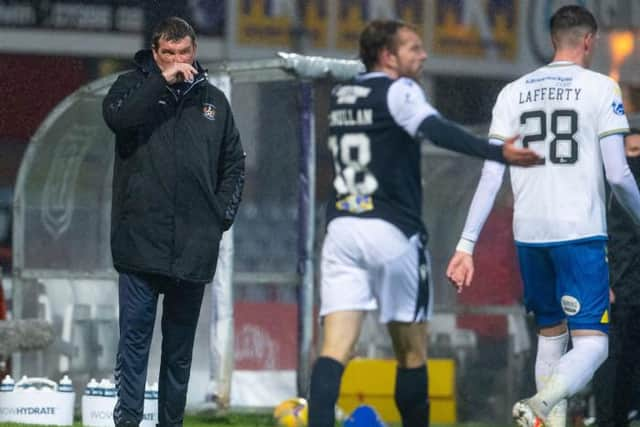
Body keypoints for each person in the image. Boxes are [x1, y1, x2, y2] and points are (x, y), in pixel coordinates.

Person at [308, 19, 540, 427]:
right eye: (413, 47)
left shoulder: (344, 93)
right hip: (392, 230)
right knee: (412, 353)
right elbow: (437, 131)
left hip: (342, 228)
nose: (423, 54)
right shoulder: (400, 90)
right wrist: (498, 152)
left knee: (334, 350)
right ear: (387, 56)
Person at [446, 6, 640, 427]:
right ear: (589, 41)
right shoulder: (599, 89)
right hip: (580, 233)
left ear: (553, 40)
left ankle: (542, 418)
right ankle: (542, 402)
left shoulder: (511, 92)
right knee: (594, 346)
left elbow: (490, 172)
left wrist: (465, 245)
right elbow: (620, 174)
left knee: (551, 334)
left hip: (529, 234)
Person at [102, 16, 245, 427]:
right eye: (169, 53)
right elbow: (121, 120)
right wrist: (160, 81)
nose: (178, 61)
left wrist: (220, 216)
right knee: (134, 344)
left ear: (194, 52)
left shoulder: (214, 103)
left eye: (184, 53)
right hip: (140, 245)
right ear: (155, 54)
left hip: (193, 248)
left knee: (179, 353)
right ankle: (127, 421)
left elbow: (235, 163)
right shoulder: (130, 87)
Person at [592, 128, 640, 427]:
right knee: (613, 371)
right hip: (618, 293)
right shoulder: (607, 191)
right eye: (633, 152)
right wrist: (602, 280)